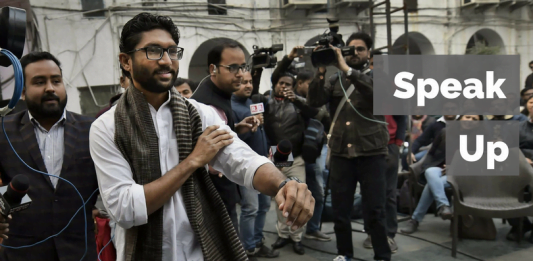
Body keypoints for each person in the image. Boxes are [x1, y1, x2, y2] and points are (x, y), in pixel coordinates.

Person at [91, 13, 315, 261]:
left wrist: (283, 185)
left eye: (172, 51)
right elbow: (126, 210)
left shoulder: (199, 114)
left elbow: (241, 159)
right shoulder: (107, 127)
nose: (167, 61)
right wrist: (193, 161)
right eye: (154, 51)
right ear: (126, 61)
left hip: (203, 251)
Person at [0, 51, 99, 260]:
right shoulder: (3, 131)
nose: (50, 88)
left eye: (56, 81)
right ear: (23, 91)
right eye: (39, 82)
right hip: (22, 252)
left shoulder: (94, 130)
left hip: (79, 251)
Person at [307, 32, 391, 261]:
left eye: (360, 49)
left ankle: (382, 255)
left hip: (372, 152)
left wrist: (347, 70)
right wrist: (321, 70)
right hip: (342, 152)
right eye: (350, 48)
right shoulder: (335, 80)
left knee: (375, 209)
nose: (354, 53)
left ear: (369, 54)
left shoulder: (378, 77)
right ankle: (344, 254)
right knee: (341, 210)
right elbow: (314, 102)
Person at [191, 39, 261, 235]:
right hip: (216, 198)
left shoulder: (218, 92)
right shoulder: (209, 105)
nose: (240, 74)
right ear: (213, 69)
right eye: (232, 68)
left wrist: (236, 128)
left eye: (242, 67)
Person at [266, 46, 321, 255]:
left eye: (288, 84)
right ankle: (282, 235)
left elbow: (316, 112)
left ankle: (297, 237)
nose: (283, 86)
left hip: (296, 158)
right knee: (280, 198)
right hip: (276, 155)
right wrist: (288, 58)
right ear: (276, 84)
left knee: (298, 197)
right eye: (280, 83)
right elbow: (278, 73)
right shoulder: (267, 103)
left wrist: (296, 99)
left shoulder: (299, 105)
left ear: (293, 87)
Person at [401, 114, 484, 234]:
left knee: (431, 185)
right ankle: (444, 206)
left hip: (462, 174)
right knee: (430, 171)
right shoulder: (445, 132)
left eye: (475, 119)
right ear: (460, 118)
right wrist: (427, 166)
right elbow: (431, 153)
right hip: (439, 170)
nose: (470, 120)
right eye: (467, 117)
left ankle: (416, 219)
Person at [231, 71, 280, 259]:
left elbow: (266, 132)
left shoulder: (254, 104)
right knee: (250, 208)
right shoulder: (231, 107)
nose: (248, 86)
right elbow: (234, 140)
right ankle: (247, 248)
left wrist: (272, 154)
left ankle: (258, 242)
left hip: (265, 163)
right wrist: (247, 129)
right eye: (243, 82)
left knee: (264, 206)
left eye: (250, 82)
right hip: (246, 167)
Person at [506, 95, 533, 242]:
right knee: (501, 183)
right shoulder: (519, 127)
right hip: (518, 165)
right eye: (531, 102)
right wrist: (522, 159)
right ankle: (520, 224)